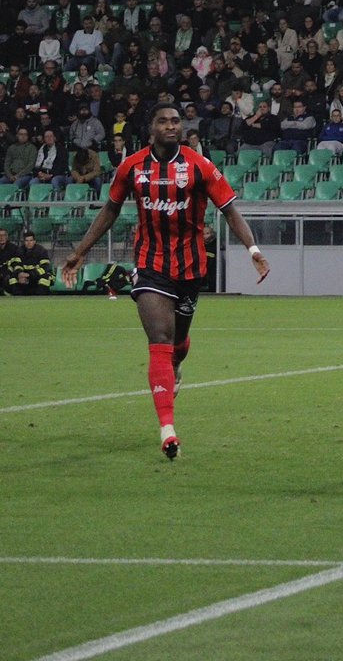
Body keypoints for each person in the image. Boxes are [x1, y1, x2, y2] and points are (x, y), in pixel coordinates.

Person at [62, 102, 270, 460]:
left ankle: (176, 361)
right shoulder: (131, 166)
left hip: (189, 268)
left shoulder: (199, 165)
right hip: (150, 264)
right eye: (164, 121)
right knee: (159, 338)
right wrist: (80, 251)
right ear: (151, 129)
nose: (172, 126)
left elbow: (230, 211)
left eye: (176, 121)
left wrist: (253, 250)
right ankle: (168, 430)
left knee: (178, 343)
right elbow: (110, 210)